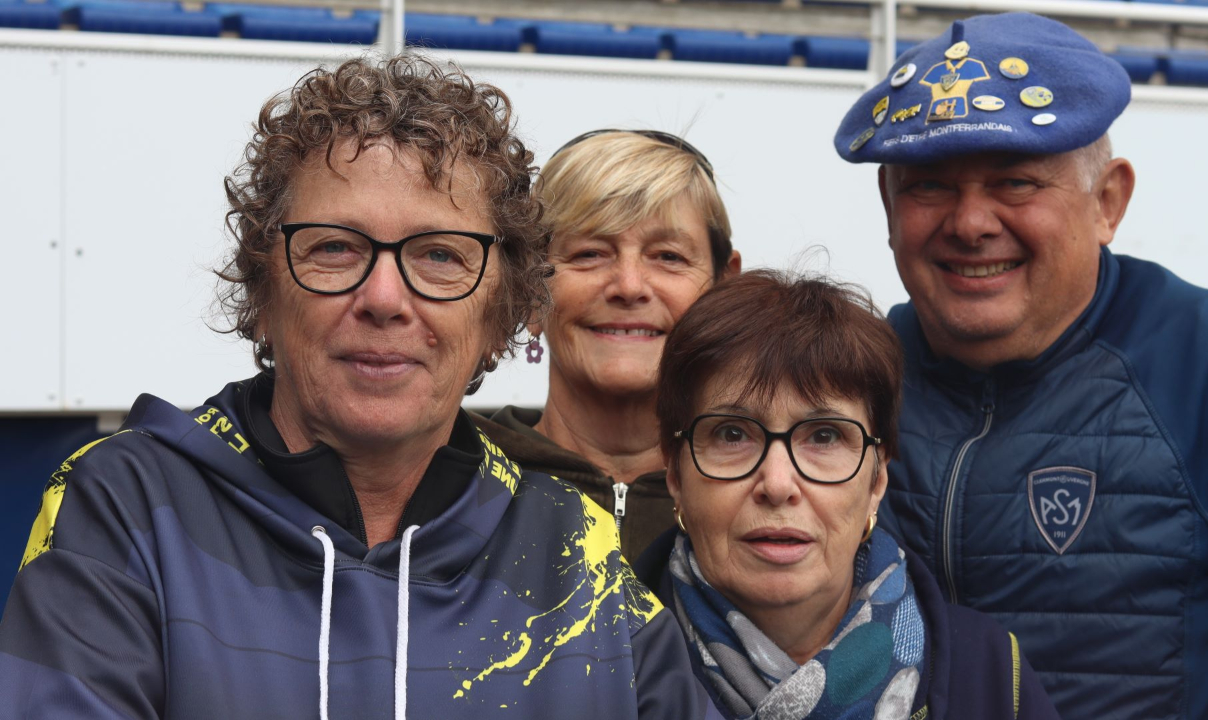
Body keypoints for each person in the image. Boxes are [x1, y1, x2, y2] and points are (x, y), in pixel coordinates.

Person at [0, 56, 702, 719]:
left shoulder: (578, 552)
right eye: (335, 247)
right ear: (263, 295)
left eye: (440, 255)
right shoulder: (129, 509)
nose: (385, 298)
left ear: (502, 316)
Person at [834, 12, 1208, 720]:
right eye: (929, 186)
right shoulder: (848, 383)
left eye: (1015, 182)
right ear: (888, 204)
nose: (970, 223)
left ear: (1108, 203)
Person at [641, 269, 1059, 719]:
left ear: (877, 479)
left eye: (823, 436)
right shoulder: (602, 659)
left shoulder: (991, 673)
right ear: (675, 473)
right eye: (732, 434)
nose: (777, 485)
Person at [473, 129, 740, 560]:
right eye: (590, 254)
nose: (629, 286)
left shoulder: (766, 487)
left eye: (668, 256)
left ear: (723, 289)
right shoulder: (453, 474)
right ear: (530, 291)